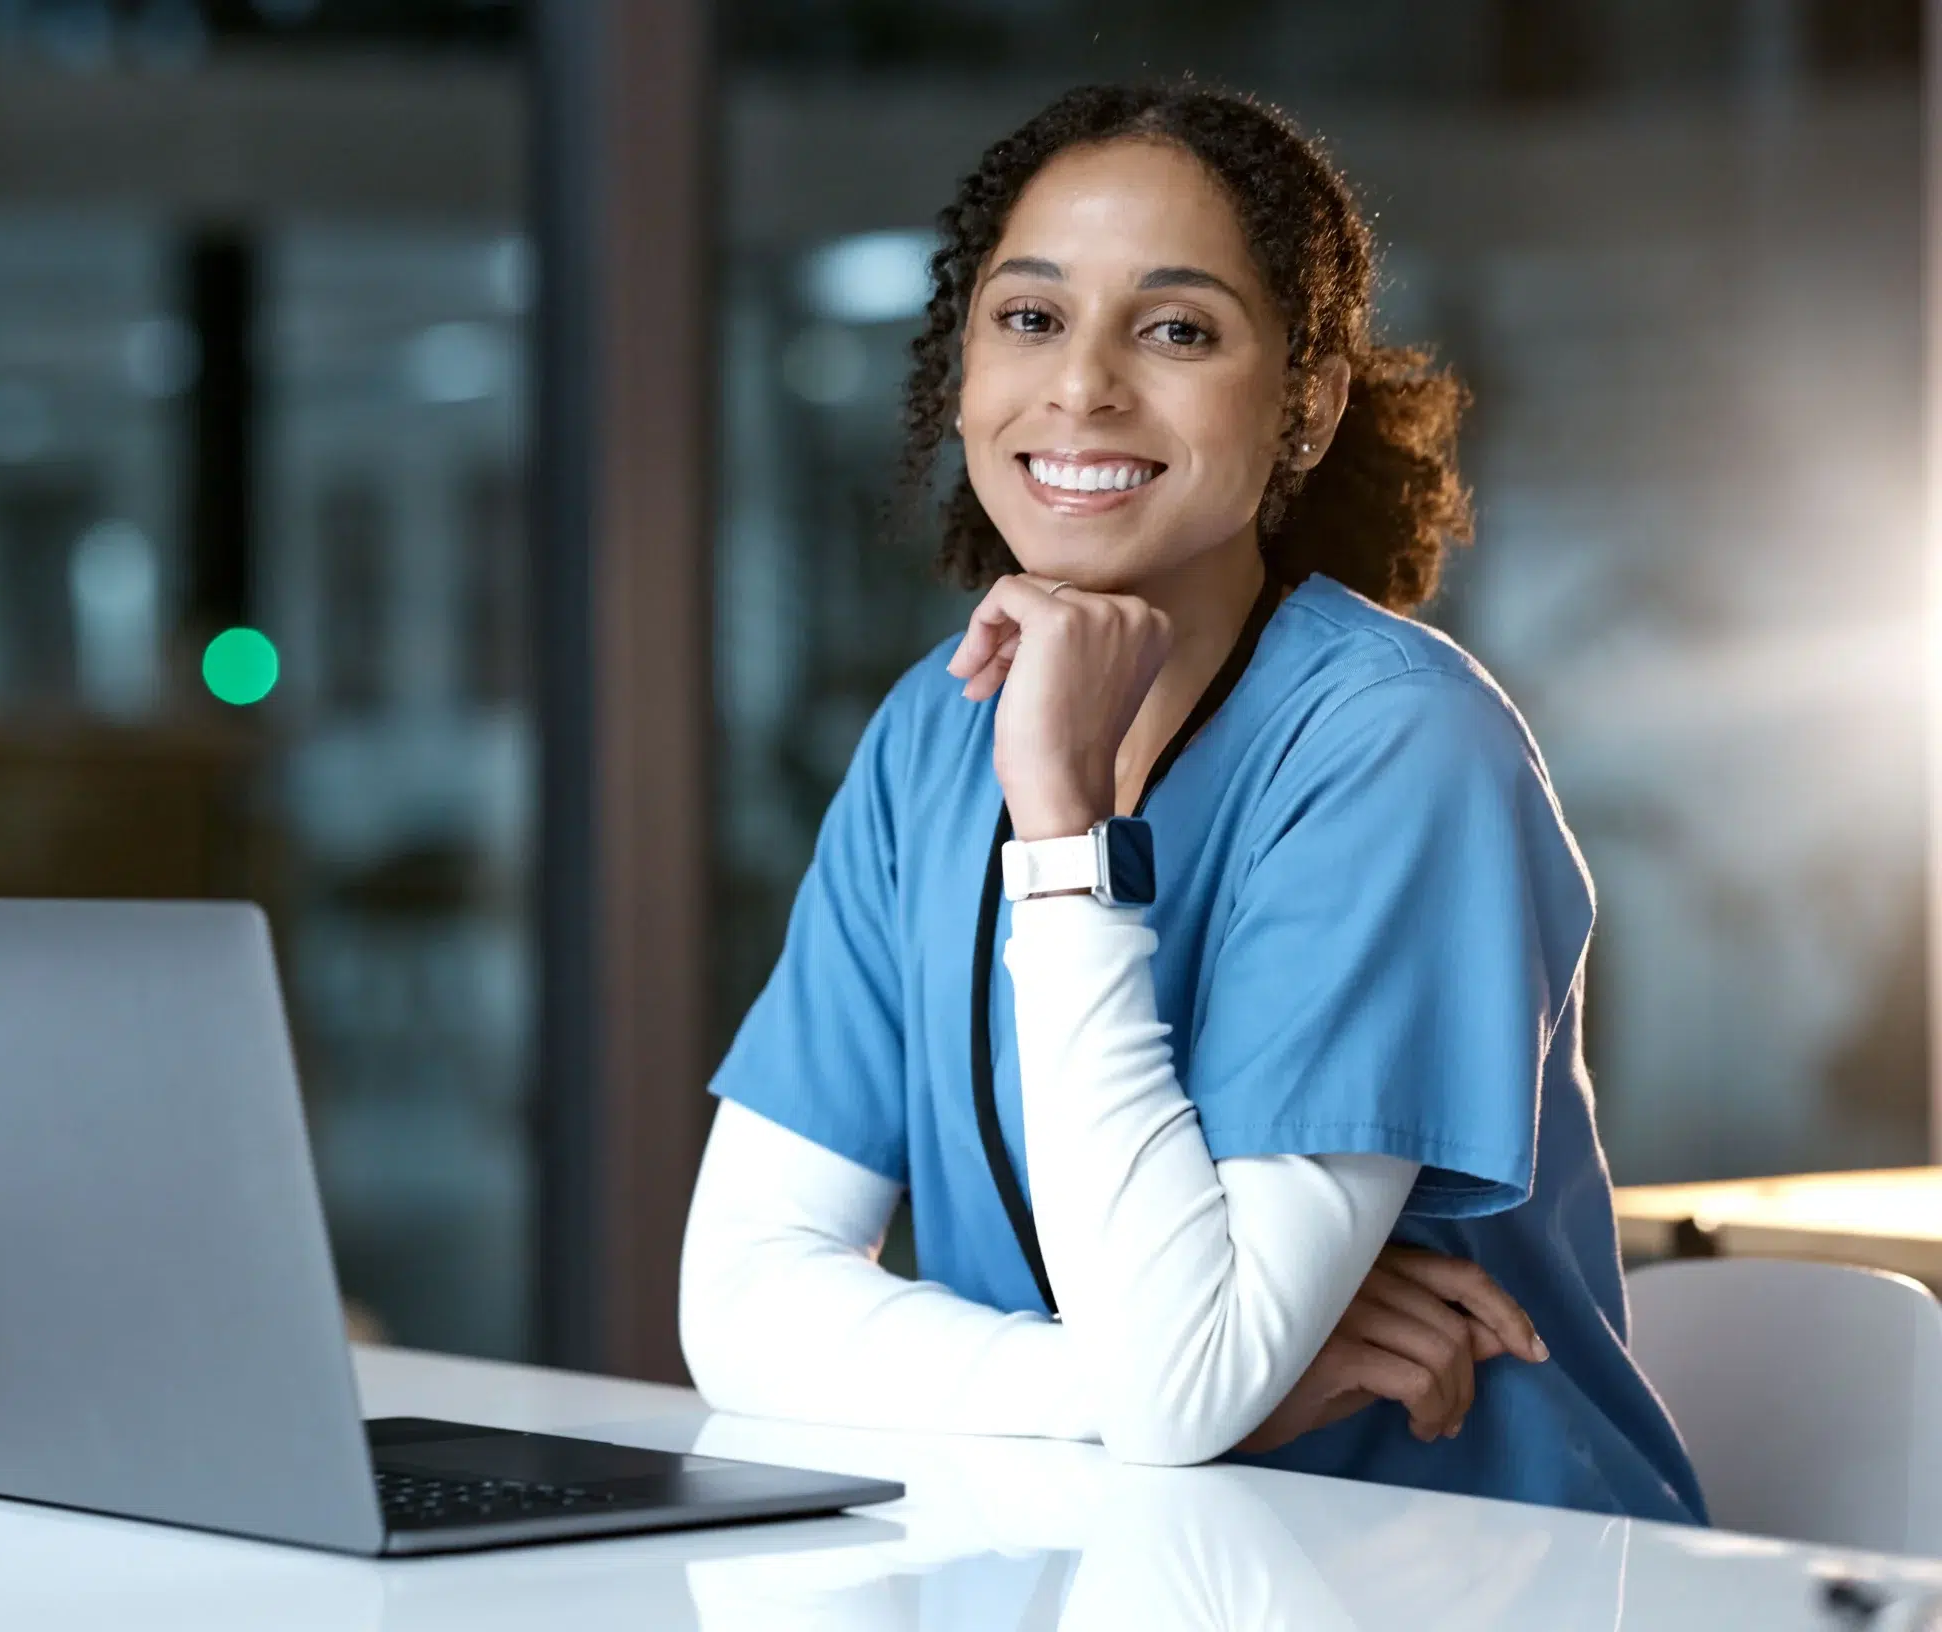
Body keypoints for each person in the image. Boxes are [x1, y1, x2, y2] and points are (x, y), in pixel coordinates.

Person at [679, 83, 1704, 1523]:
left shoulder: (1396, 746)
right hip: (1113, 1559)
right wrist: (1127, 1393)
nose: (1083, 387)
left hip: (1463, 1571)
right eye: (1030, 318)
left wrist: (1061, 836)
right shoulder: (930, 734)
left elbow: (1180, 1392)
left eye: (1176, 329)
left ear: (1306, 407)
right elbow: (740, 1304)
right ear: (962, 373)